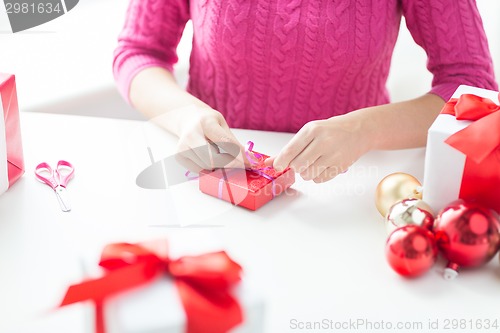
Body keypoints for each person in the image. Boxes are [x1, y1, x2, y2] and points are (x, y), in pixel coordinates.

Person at [113, 0, 497, 183]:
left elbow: (473, 87)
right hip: (209, 176)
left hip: (352, 182)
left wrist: (366, 130)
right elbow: (138, 52)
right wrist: (185, 117)